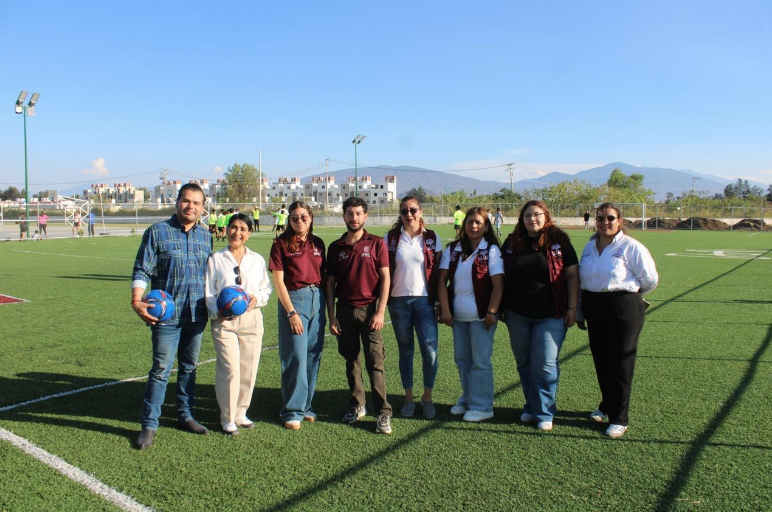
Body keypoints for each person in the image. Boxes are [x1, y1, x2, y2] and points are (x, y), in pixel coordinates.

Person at [130, 183, 213, 449]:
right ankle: (149, 425)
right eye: (186, 201)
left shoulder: (206, 235)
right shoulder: (157, 232)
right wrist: (136, 299)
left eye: (197, 203)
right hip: (166, 317)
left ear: (203, 207)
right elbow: (142, 269)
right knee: (161, 370)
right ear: (177, 202)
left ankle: (185, 415)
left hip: (196, 314)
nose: (191, 206)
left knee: (189, 368)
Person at [577, 202, 658, 439]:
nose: (605, 222)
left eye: (610, 218)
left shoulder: (631, 246)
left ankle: (620, 417)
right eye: (600, 218)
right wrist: (581, 312)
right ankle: (607, 404)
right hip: (594, 307)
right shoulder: (589, 246)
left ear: (619, 221)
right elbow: (583, 282)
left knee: (621, 362)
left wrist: (627, 297)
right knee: (601, 360)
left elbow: (650, 279)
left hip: (623, 308)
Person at [501, 200, 579, 431]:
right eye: (527, 215)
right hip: (517, 314)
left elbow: (572, 275)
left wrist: (572, 308)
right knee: (524, 363)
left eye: (536, 215)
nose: (532, 219)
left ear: (546, 216)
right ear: (521, 218)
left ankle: (545, 411)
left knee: (544, 363)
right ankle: (531, 405)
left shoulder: (559, 241)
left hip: (550, 314)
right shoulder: (513, 241)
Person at [326, 197, 393, 434]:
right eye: (349, 213)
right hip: (344, 310)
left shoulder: (376, 243)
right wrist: (332, 317)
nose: (353, 218)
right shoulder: (335, 247)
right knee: (350, 359)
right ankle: (358, 405)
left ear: (366, 216)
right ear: (343, 216)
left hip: (370, 311)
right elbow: (330, 284)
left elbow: (385, 278)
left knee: (375, 361)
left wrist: (380, 311)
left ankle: (383, 413)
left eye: (358, 213)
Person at [205, 213, 272, 435]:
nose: (237, 232)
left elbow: (266, 289)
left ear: (249, 234)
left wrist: (256, 298)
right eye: (233, 227)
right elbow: (209, 293)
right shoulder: (216, 259)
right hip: (224, 322)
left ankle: (241, 412)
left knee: (248, 369)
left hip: (252, 321)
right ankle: (227, 417)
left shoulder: (257, 259)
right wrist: (218, 311)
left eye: (243, 229)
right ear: (226, 230)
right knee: (230, 369)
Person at [437, 207, 504, 422]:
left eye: (478, 223)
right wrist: (445, 309)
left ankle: (483, 406)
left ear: (486, 226)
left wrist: (492, 311)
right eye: (469, 222)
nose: (473, 226)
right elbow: (441, 280)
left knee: (480, 361)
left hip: (481, 318)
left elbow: (498, 285)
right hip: (458, 317)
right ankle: (467, 399)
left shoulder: (491, 250)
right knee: (462, 359)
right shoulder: (454, 248)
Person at [269, 201, 326, 430]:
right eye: (294, 218)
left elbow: (325, 277)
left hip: (317, 299)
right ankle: (292, 410)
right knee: (296, 357)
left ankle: (306, 406)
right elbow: (278, 281)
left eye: (303, 217)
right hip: (295, 299)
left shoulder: (318, 243)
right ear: (289, 220)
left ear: (311, 217)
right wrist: (291, 311)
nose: (299, 221)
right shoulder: (281, 244)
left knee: (313, 355)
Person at [384, 196, 442, 419]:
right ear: (400, 214)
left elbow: (438, 274)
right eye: (404, 210)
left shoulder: (432, 238)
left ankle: (427, 396)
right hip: (398, 302)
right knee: (405, 350)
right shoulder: (390, 238)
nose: (409, 214)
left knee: (430, 350)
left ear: (421, 211)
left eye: (413, 209)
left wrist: (439, 302)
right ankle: (409, 398)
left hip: (425, 302)